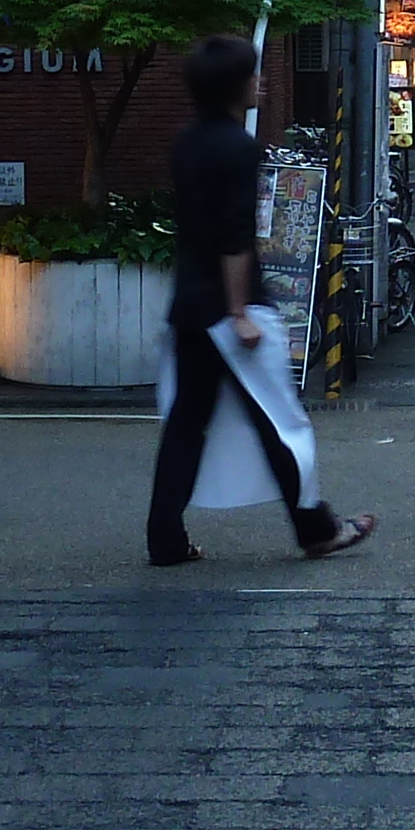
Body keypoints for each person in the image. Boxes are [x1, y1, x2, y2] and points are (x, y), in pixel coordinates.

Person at [148, 34, 374, 569]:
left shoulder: (186, 142)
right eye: (253, 74)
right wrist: (239, 312)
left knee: (187, 423)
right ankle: (316, 528)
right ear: (234, 86)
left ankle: (166, 538)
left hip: (189, 305)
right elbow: (236, 235)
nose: (262, 82)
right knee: (278, 419)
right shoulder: (238, 147)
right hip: (230, 310)